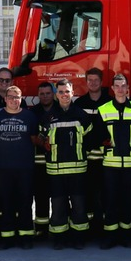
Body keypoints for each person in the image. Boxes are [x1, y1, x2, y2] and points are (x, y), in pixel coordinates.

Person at [38, 79, 93, 250]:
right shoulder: (48, 117)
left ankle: (79, 238)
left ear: (72, 93)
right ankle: (59, 238)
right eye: (61, 92)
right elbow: (41, 140)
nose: (64, 95)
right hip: (55, 170)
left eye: (67, 91)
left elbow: (90, 140)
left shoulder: (81, 115)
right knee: (58, 206)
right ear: (56, 94)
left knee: (79, 206)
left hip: (78, 169)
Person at [93, 74, 131, 249]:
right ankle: (110, 236)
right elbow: (97, 136)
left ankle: (126, 235)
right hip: (110, 165)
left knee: (128, 201)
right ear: (112, 89)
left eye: (123, 86)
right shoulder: (103, 109)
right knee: (110, 201)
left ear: (128, 88)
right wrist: (105, 147)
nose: (120, 89)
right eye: (117, 86)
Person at [0, 85, 39, 248]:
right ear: (5, 99)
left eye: (16, 97)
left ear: (21, 99)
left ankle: (26, 237)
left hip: (25, 167)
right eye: (10, 97)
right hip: (3, 167)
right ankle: (7, 237)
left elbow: (34, 140)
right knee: (6, 202)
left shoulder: (29, 116)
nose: (13, 100)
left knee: (25, 201)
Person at [75, 67, 112, 240]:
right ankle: (90, 228)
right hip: (87, 158)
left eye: (96, 80)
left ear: (101, 82)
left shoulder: (110, 102)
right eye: (90, 80)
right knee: (88, 193)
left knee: (105, 194)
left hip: (106, 159)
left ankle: (104, 227)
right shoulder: (80, 103)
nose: (93, 83)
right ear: (86, 82)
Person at [28, 81, 56, 236]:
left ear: (53, 94)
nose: (45, 96)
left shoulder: (60, 110)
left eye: (48, 93)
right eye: (42, 94)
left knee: (59, 198)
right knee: (41, 196)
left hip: (58, 162)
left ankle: (59, 229)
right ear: (38, 95)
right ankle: (41, 229)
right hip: (39, 163)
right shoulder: (32, 113)